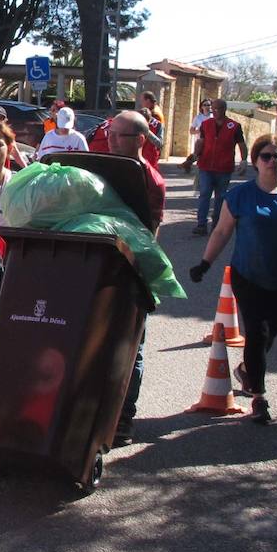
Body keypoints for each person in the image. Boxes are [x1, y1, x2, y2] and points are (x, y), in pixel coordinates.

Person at [189, 134, 277, 425]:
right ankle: (259, 397)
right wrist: (205, 263)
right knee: (257, 334)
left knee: (271, 333)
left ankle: (248, 369)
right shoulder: (240, 196)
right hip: (248, 276)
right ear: (256, 162)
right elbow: (222, 232)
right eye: (266, 156)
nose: (273, 161)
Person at [104, 111, 166, 445]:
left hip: (132, 273)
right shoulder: (104, 170)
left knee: (131, 348)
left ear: (140, 140)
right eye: (110, 134)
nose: (111, 141)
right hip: (99, 271)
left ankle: (124, 417)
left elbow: (149, 234)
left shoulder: (151, 180)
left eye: (118, 136)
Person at [192, 99, 248, 235]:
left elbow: (241, 144)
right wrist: (194, 155)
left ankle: (216, 225)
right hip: (206, 165)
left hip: (224, 167)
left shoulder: (234, 126)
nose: (214, 111)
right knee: (204, 194)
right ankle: (201, 224)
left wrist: (244, 160)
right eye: (213, 109)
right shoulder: (205, 124)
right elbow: (201, 141)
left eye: (217, 109)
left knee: (220, 197)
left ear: (224, 109)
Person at [182, 98, 213, 176]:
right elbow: (191, 131)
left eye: (208, 105)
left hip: (211, 141)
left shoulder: (213, 117)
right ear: (201, 107)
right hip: (200, 141)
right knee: (200, 157)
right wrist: (199, 131)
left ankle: (187, 163)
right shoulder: (198, 118)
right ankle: (190, 166)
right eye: (205, 105)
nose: (207, 107)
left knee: (206, 158)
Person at [139, 94, 164, 169]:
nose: (141, 103)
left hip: (150, 158)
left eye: (142, 100)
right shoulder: (155, 110)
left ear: (148, 101)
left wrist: (147, 131)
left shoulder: (155, 115)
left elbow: (159, 143)